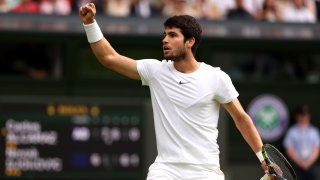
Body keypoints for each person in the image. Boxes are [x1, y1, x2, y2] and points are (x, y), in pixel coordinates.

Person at [79, 3, 272, 179]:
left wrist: (263, 157)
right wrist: (90, 24)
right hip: (166, 169)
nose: (165, 40)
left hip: (206, 171)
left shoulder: (216, 77)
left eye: (172, 35)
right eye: (164, 34)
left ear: (190, 41)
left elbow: (241, 119)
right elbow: (109, 58)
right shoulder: (155, 71)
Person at [283, 104, 320, 180]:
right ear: (297, 117)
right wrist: (300, 162)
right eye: (301, 115)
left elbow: (316, 149)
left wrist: (308, 162)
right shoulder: (292, 131)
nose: (304, 118)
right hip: (296, 166)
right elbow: (289, 150)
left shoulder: (314, 131)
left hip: (310, 165)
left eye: (305, 116)